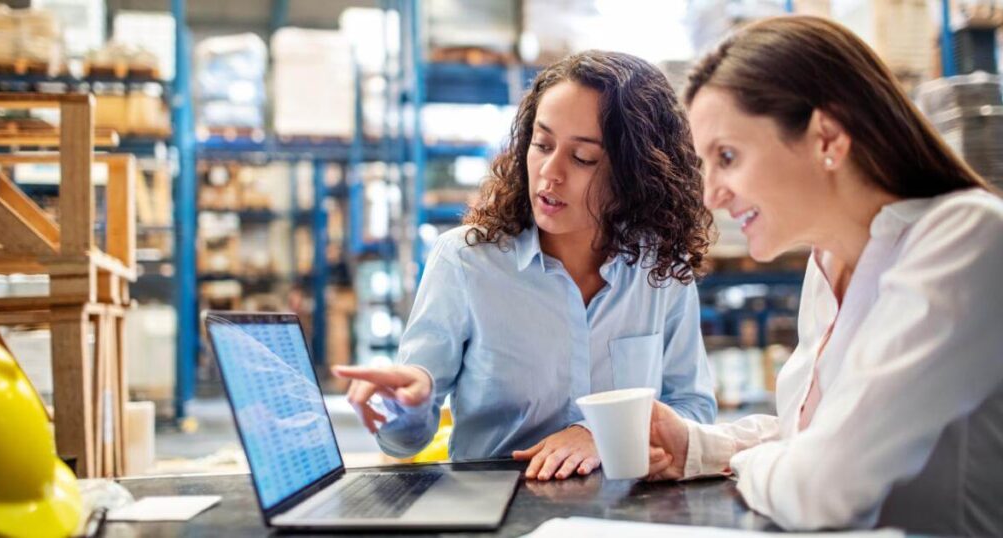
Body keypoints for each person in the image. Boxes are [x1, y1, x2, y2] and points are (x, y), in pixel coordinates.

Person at [644, 16, 1003, 536]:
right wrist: (698, 447)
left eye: (727, 156)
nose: (711, 195)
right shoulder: (829, 261)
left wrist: (746, 464)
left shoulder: (965, 237)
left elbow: (821, 488)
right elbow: (820, 433)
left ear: (827, 138)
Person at [334, 50, 717, 481]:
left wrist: (599, 433)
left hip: (626, 509)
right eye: (542, 144)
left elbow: (694, 409)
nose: (550, 173)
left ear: (636, 173)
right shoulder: (465, 261)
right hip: (498, 508)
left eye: (583, 158)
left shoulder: (661, 268)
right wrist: (408, 406)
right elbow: (404, 442)